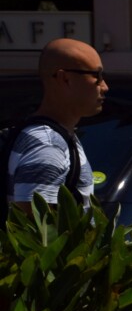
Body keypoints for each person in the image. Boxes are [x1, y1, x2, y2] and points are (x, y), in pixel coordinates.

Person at [4, 37, 106, 213]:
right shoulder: (48, 145)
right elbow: (36, 234)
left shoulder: (57, 136)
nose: (104, 86)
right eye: (96, 76)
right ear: (64, 78)